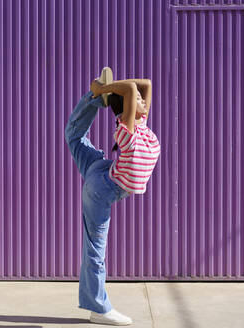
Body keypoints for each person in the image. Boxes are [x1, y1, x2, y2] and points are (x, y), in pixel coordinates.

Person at [64, 67, 160, 326]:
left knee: (74, 137)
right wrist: (105, 88)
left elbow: (146, 84)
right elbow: (130, 89)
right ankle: (98, 308)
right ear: (127, 109)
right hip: (102, 189)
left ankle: (93, 100)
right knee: (95, 250)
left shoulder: (140, 124)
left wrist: (106, 91)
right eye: (138, 100)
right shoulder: (127, 134)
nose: (143, 99)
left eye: (142, 100)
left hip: (103, 170)